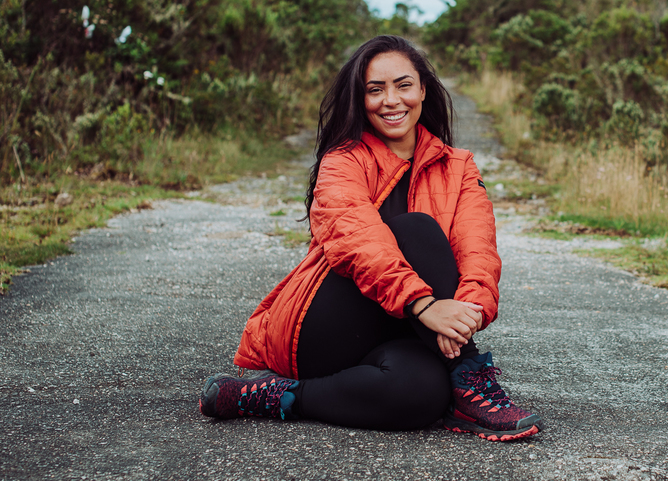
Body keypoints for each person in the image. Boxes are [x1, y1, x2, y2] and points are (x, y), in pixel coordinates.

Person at [198, 35, 542, 441]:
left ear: (423, 90)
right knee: (417, 230)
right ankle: (468, 374)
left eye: (403, 85)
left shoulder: (459, 167)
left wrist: (467, 313)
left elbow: (478, 249)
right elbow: (357, 241)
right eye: (375, 90)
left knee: (422, 394)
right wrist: (424, 304)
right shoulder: (343, 160)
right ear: (360, 100)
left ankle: (270, 397)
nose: (391, 100)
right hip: (327, 326)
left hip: (401, 331)